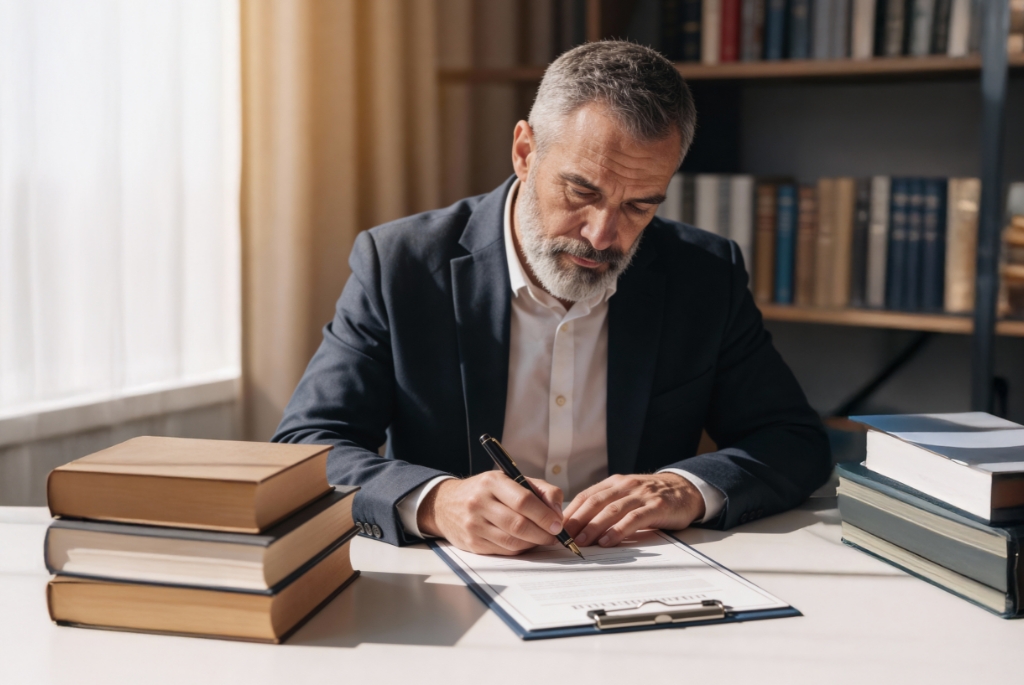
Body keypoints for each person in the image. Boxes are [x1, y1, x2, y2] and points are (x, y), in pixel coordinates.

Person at [273, 41, 831, 555]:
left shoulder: (704, 274)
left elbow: (794, 441)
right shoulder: (401, 264)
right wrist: (435, 502)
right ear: (524, 151)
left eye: (639, 206)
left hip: (643, 577)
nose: (602, 234)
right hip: (446, 585)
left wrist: (684, 487)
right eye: (581, 191)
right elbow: (306, 448)